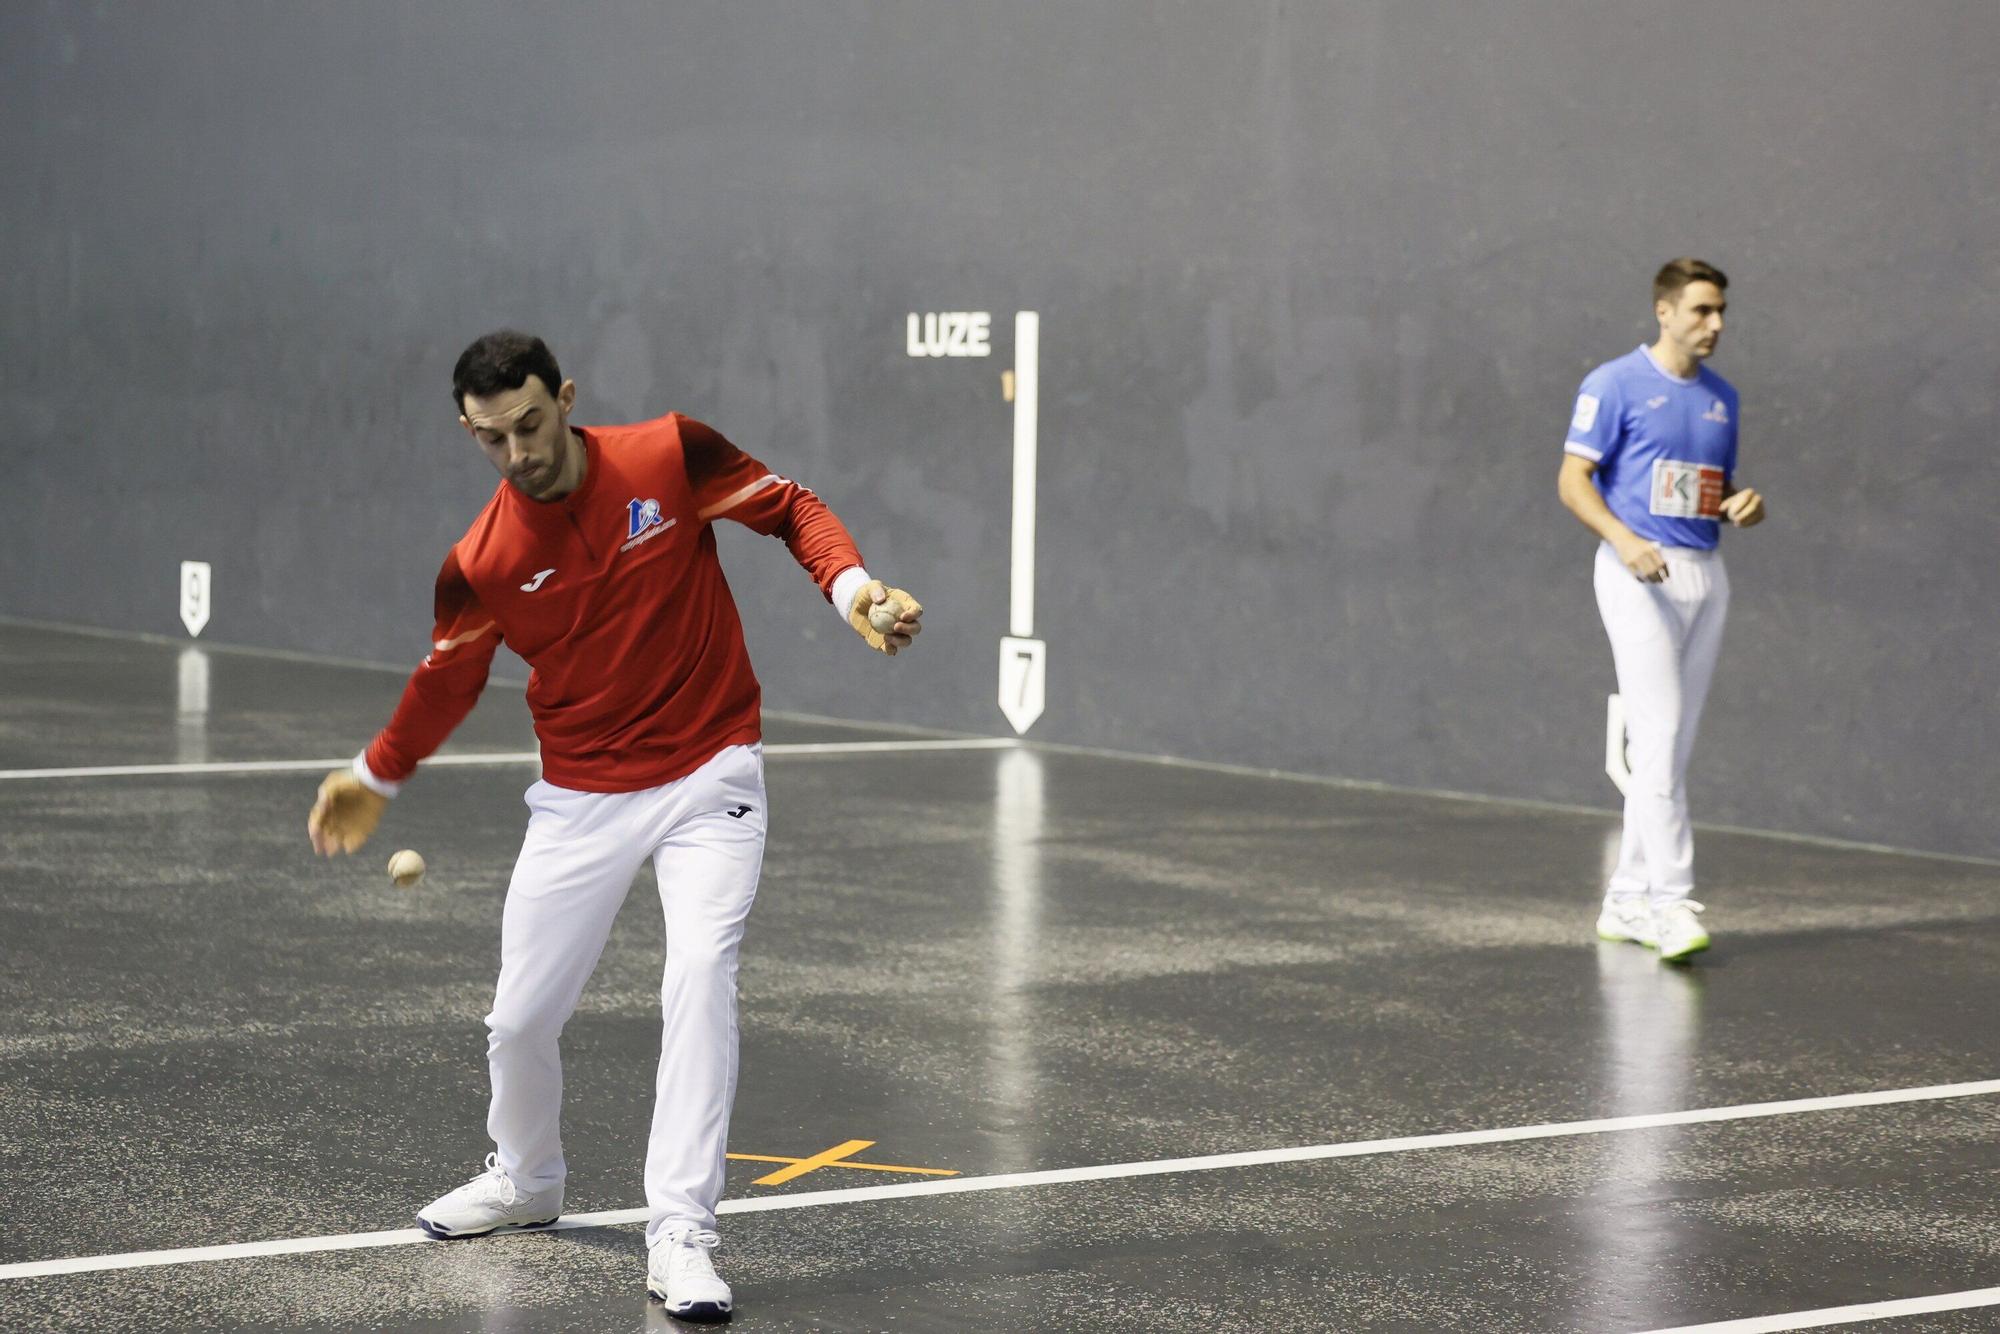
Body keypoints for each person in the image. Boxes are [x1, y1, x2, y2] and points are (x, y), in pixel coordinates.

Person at [305, 330, 922, 1321]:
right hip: (580, 794)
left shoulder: (666, 458)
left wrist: (852, 587)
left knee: (698, 976)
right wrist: (377, 771)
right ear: (469, 432)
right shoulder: (482, 560)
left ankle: (680, 1229)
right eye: (490, 438)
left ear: (567, 398)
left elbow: (786, 506)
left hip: (709, 768)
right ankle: (525, 1174)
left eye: (532, 424)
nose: (519, 454)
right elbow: (448, 677)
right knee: (517, 1018)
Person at [1556, 259, 1765, 963]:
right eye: (1703, 310)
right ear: (1665, 311)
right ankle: (1670, 903)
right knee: (1661, 730)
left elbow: (1712, 485)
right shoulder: (1613, 383)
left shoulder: (1722, 398)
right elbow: (1572, 479)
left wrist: (1741, 503)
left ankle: (1625, 900)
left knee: (1667, 750)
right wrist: (1624, 539)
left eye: (1721, 311)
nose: (1717, 325)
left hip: (1707, 575)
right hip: (1635, 575)